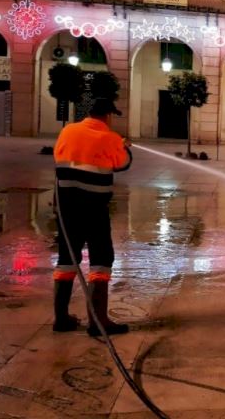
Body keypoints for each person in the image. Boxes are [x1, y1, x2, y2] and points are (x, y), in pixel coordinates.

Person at [52, 98, 132, 336]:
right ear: (108, 116)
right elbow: (122, 163)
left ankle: (61, 319)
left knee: (67, 259)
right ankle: (98, 322)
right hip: (95, 208)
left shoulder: (67, 131)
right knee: (101, 259)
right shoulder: (110, 138)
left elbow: (60, 157)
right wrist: (124, 147)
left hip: (66, 207)